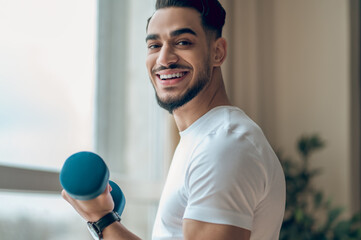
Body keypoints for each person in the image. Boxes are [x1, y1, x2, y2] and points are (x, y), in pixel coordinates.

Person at [62, 0, 286, 239]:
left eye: (182, 42)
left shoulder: (224, 145)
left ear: (217, 52)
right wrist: (103, 220)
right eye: (154, 45)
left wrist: (103, 221)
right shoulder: (203, 140)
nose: (164, 59)